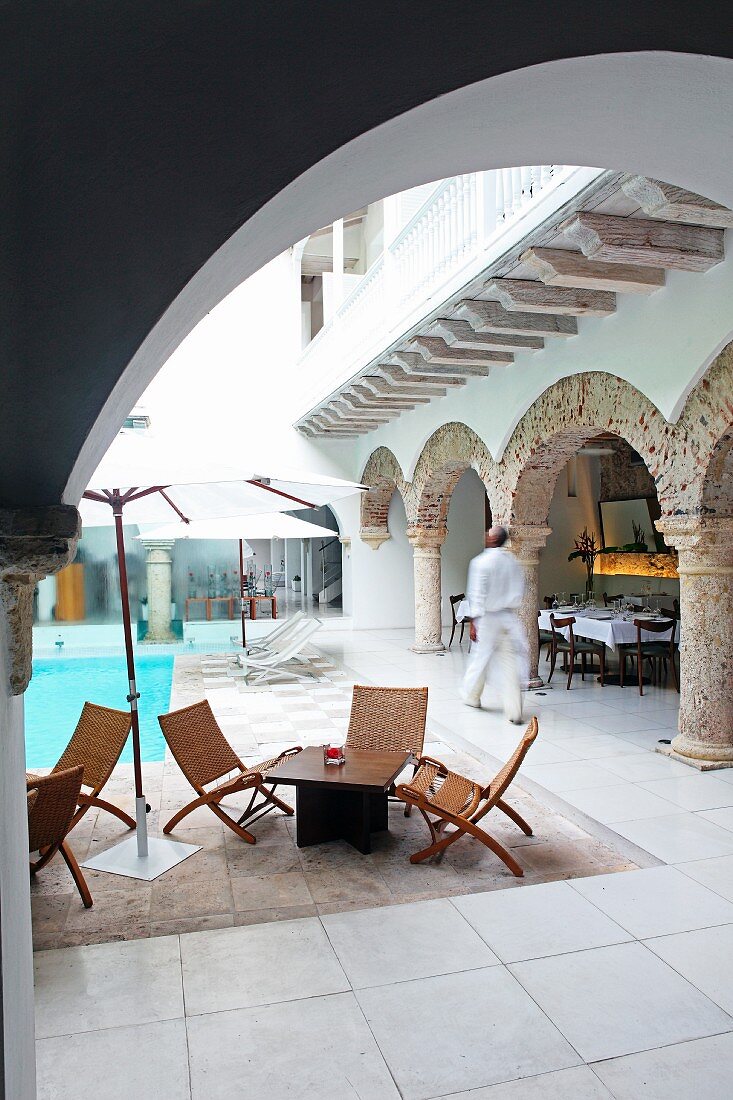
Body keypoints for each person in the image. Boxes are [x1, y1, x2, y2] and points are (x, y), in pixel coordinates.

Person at [461, 525, 528, 723]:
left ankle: (472, 696)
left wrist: (474, 621)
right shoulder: (513, 562)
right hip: (508, 617)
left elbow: (477, 594)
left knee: (481, 658)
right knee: (510, 662)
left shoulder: (481, 562)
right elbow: (519, 591)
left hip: (488, 618)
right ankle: (514, 710)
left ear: (492, 539)